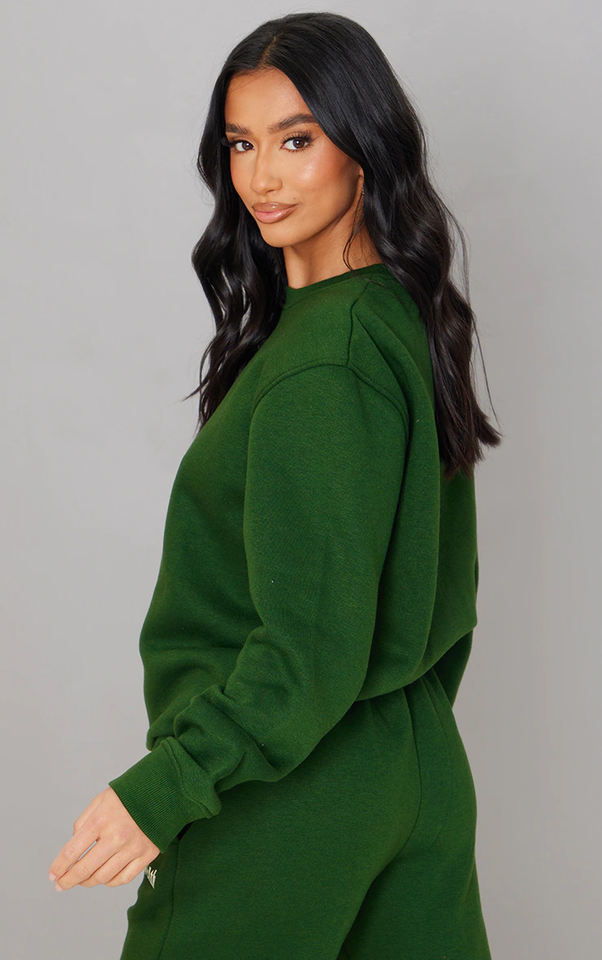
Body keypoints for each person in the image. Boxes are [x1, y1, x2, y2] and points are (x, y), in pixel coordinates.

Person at [48, 12, 500, 959]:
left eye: (297, 140)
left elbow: (308, 650)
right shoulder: (395, 320)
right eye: (241, 144)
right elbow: (435, 595)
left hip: (290, 794)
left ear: (364, 149)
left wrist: (168, 786)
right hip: (416, 770)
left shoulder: (320, 364)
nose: (261, 177)